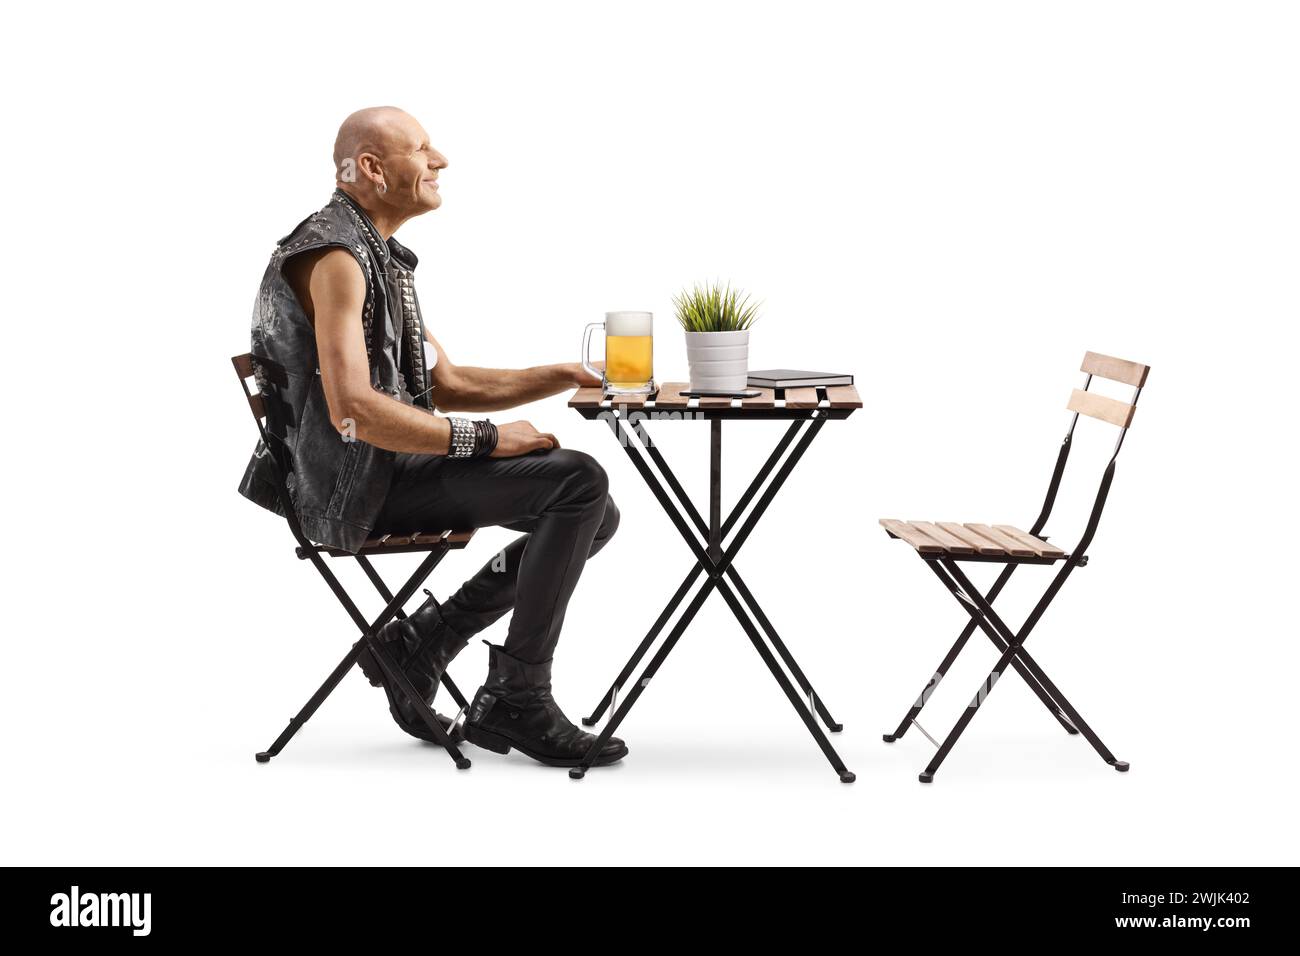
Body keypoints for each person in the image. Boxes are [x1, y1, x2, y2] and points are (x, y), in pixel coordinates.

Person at [238, 106, 626, 768]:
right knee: (577, 482)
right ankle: (516, 698)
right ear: (370, 167)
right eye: (421, 149)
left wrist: (567, 373)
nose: (439, 160)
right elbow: (352, 407)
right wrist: (488, 440)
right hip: (353, 488)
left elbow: (447, 383)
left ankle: (424, 642)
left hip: (382, 469)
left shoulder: (376, 254)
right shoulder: (335, 256)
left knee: (594, 512)